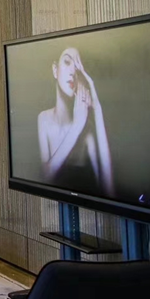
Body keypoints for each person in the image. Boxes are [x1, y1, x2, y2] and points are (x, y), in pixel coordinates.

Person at [37, 47, 114, 197]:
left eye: (77, 68)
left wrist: (97, 109)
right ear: (55, 70)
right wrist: (76, 127)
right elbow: (45, 177)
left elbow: (109, 191)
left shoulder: (87, 130)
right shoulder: (44, 119)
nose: (73, 71)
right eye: (67, 62)